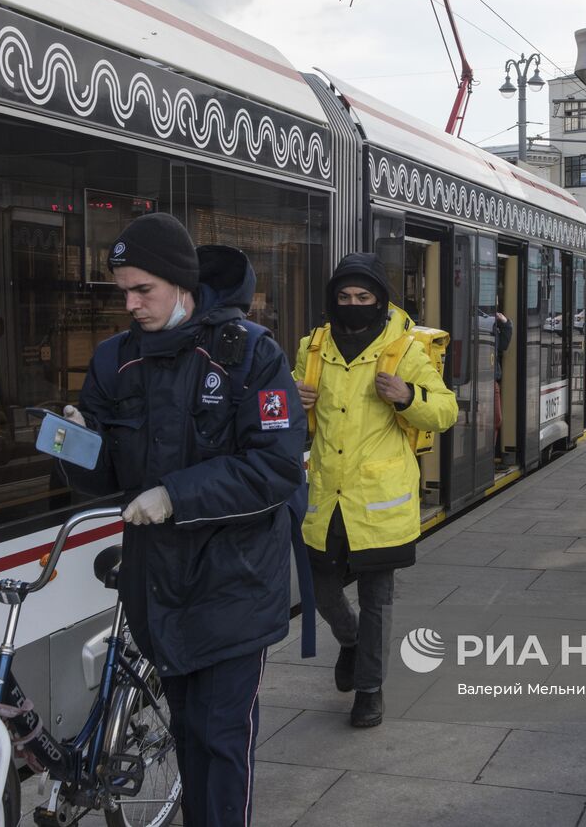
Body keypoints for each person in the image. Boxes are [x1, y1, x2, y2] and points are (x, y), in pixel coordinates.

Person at [61, 212, 305, 827]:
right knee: (188, 732)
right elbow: (107, 479)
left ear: (180, 282)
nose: (131, 304)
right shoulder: (115, 360)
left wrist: (175, 494)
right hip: (159, 587)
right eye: (123, 292)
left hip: (234, 585)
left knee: (220, 739)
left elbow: (276, 469)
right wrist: (75, 446)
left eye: (143, 289)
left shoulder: (251, 353)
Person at [294, 254, 457, 727]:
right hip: (327, 495)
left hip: (381, 500)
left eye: (364, 297)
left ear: (381, 300)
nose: (353, 304)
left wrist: (408, 397)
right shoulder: (313, 347)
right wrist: (290, 395)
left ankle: (370, 690)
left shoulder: (403, 349)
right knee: (322, 593)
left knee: (377, 601)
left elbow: (445, 411)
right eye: (344, 297)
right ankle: (351, 642)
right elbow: (281, 404)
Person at [492, 309, 513, 461]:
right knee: (496, 419)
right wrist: (506, 324)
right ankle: (489, 454)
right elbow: (502, 344)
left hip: (489, 380)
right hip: (490, 381)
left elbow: (502, 345)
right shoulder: (488, 323)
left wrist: (505, 324)